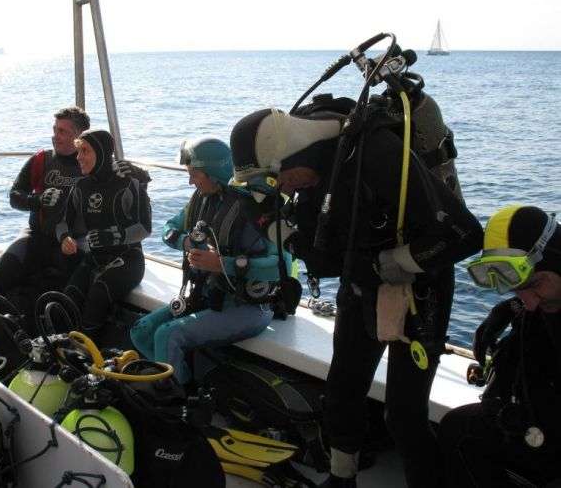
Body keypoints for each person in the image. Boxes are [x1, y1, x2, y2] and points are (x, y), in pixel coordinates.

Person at [229, 106, 483, 488]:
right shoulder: (313, 180)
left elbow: (465, 234)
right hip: (361, 281)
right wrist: (269, 223)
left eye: (277, 176)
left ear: (298, 154)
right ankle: (341, 478)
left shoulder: (376, 155)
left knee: (403, 414)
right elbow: (324, 259)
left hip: (420, 288)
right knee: (342, 392)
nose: (280, 187)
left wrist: (389, 264)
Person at [130, 137, 284, 386]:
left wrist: (223, 264)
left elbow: (280, 268)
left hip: (249, 306)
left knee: (168, 335)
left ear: (213, 172)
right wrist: (186, 243)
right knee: (141, 331)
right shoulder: (200, 200)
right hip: (208, 296)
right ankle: (186, 388)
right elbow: (168, 230)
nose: (191, 181)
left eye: (195, 174)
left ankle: (174, 403)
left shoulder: (255, 207)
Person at [438, 205, 561, 488]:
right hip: (538, 430)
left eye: (535, 284)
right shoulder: (538, 306)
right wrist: (508, 308)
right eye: (517, 290)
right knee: (457, 430)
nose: (529, 302)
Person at [57, 129, 151, 341]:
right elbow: (63, 222)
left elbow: (145, 227)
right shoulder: (81, 185)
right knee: (68, 297)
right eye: (78, 151)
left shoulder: (128, 182)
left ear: (101, 152)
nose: (78, 157)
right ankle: (65, 349)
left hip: (128, 259)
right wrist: (65, 238)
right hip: (96, 258)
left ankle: (87, 354)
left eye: (85, 151)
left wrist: (115, 237)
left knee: (99, 293)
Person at [0, 106, 90, 298]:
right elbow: (14, 196)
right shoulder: (41, 160)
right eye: (54, 130)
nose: (55, 136)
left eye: (62, 131)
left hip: (75, 239)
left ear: (80, 135)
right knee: (4, 272)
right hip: (37, 234)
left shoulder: (92, 163)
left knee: (66, 283)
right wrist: (37, 200)